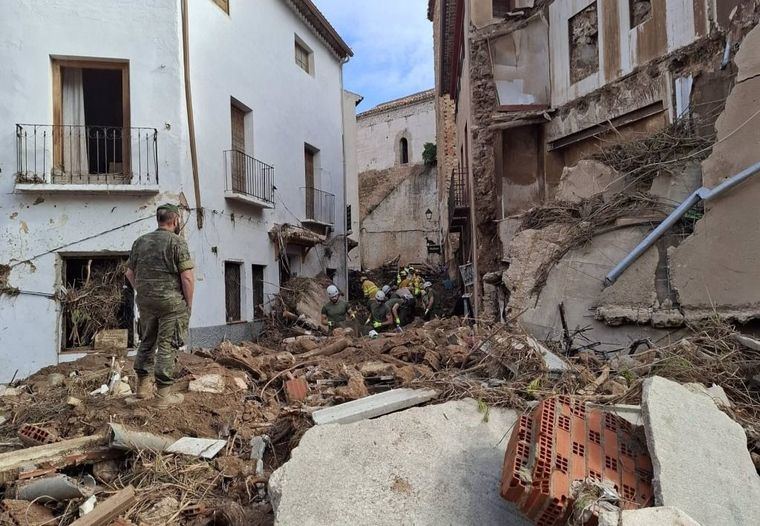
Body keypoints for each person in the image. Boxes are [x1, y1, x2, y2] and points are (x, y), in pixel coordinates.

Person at [125, 203, 194, 408]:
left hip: (146, 302)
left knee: (146, 341)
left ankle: (142, 390)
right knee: (167, 344)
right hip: (171, 304)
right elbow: (187, 278)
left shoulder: (140, 242)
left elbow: (129, 273)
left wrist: (143, 291)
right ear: (175, 220)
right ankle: (163, 397)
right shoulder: (177, 243)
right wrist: (188, 305)